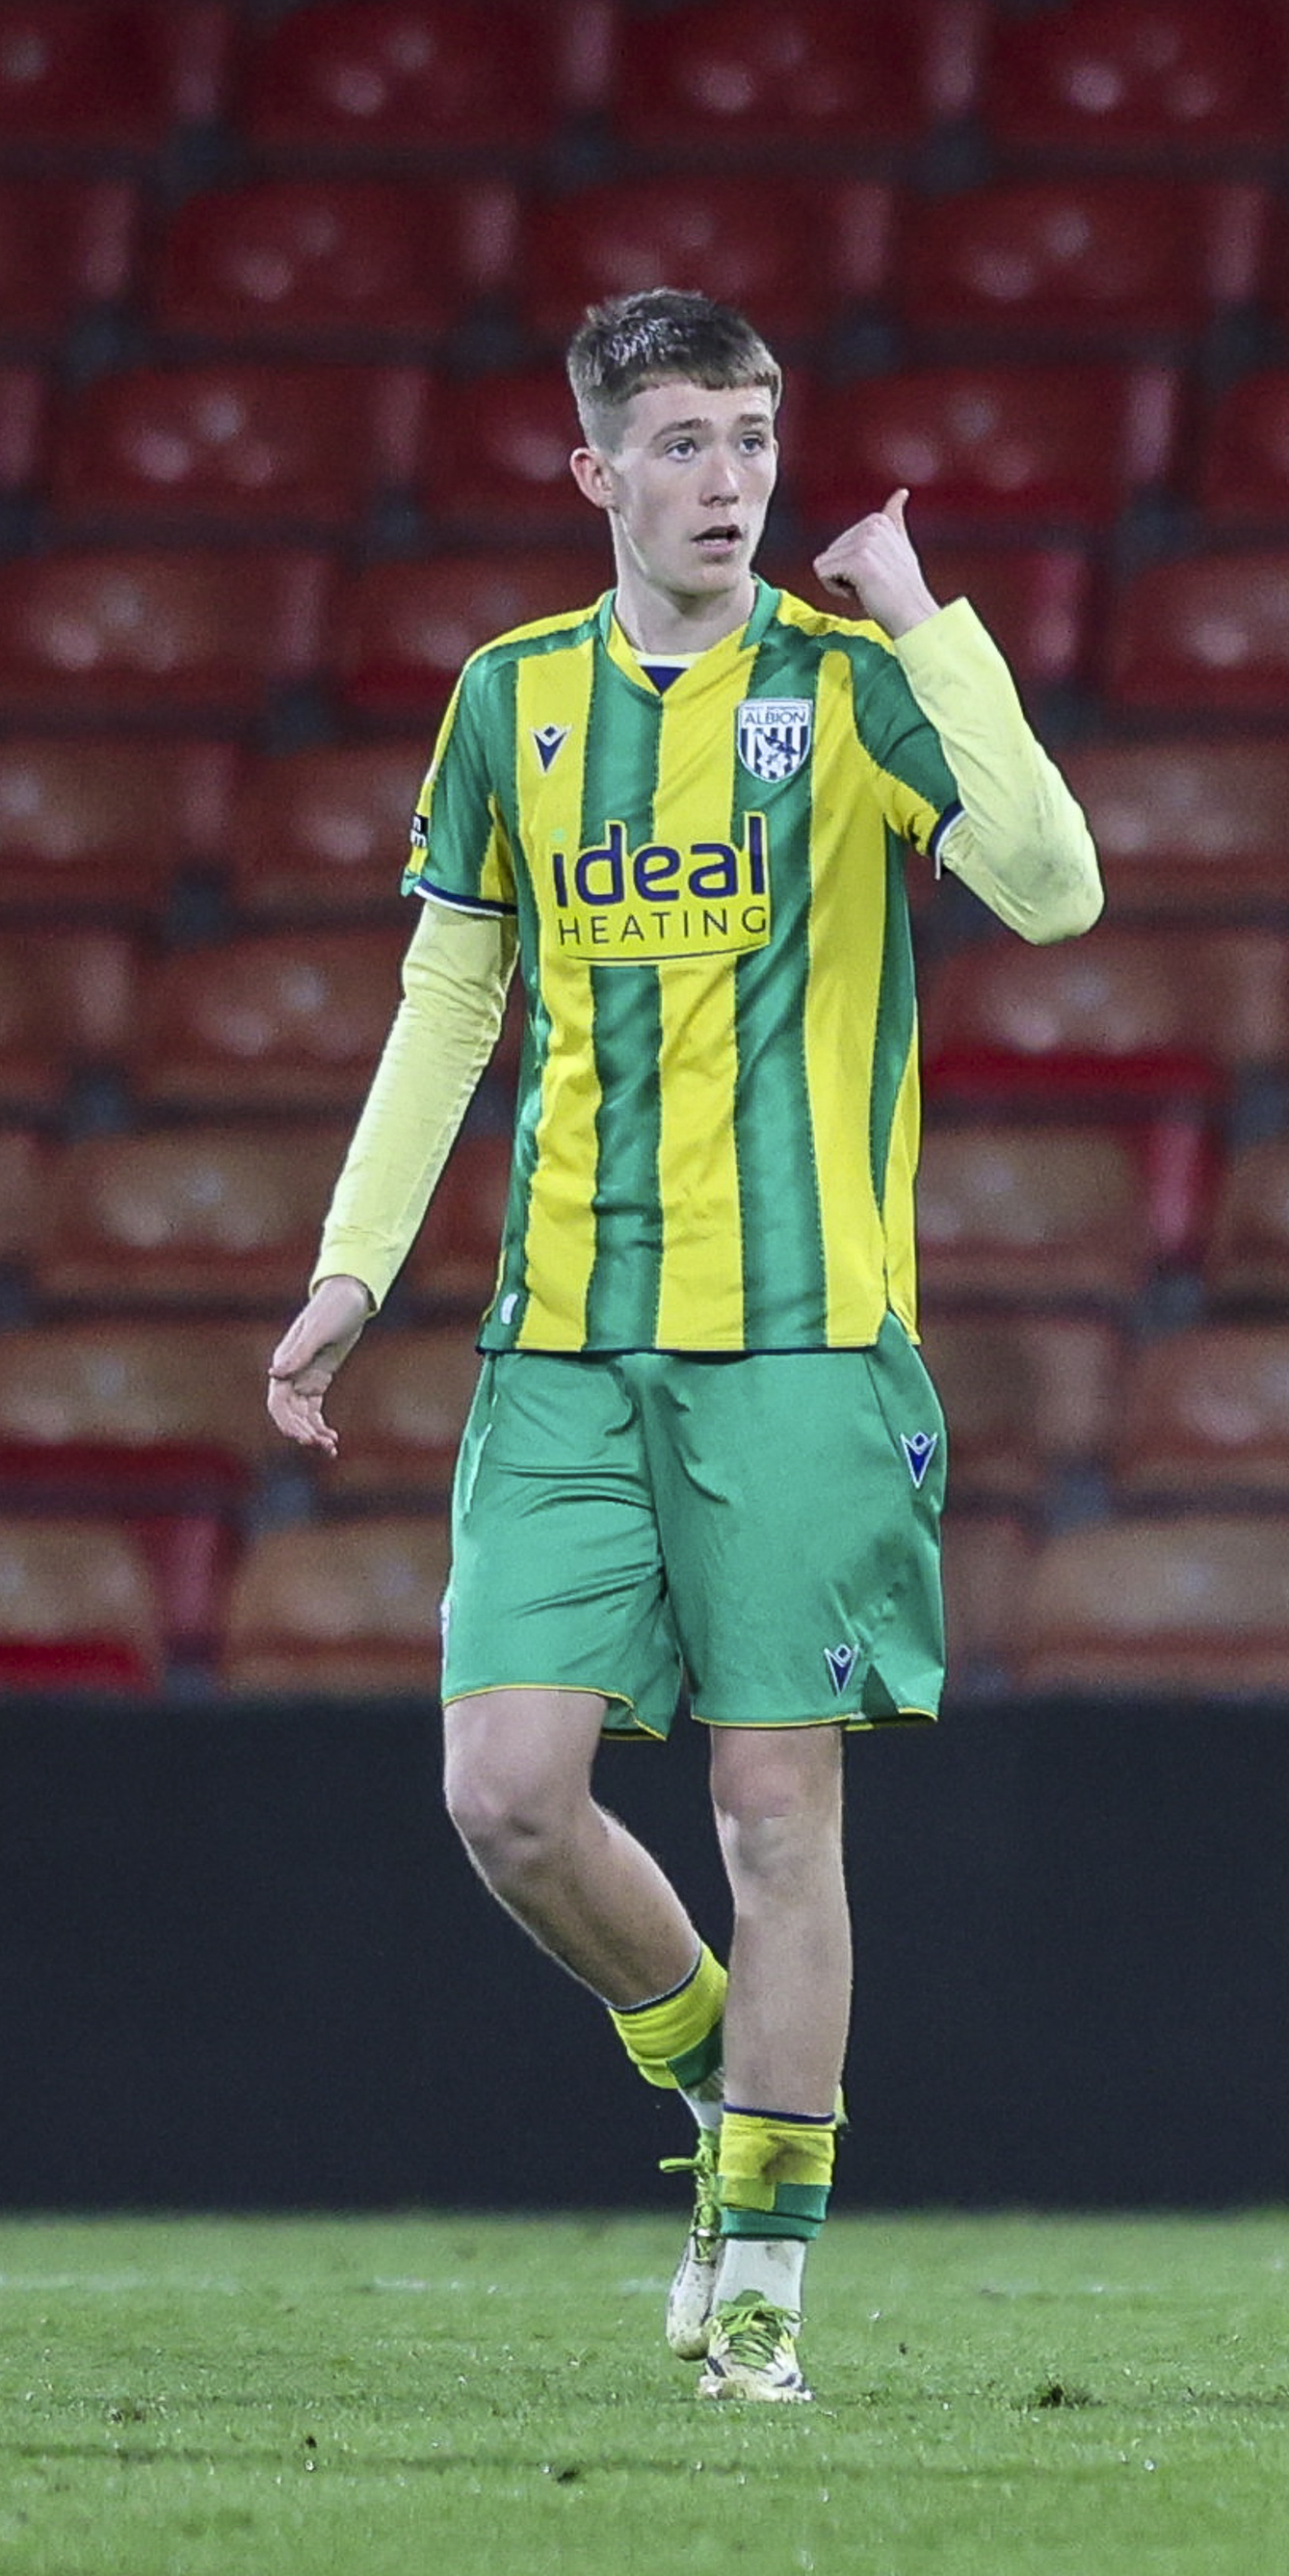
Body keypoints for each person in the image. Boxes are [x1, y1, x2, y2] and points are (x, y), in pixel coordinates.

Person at [262, 289, 1103, 2405]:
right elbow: (452, 1004)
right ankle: (724, 2080)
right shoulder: (511, 702)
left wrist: (930, 623)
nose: (733, 481)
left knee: (773, 1812)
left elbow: (1055, 886)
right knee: (509, 1793)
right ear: (596, 474)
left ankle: (763, 2285)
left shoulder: (847, 688)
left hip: (803, 1346)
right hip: (563, 1345)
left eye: (755, 438)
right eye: (688, 444)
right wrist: (353, 1270)